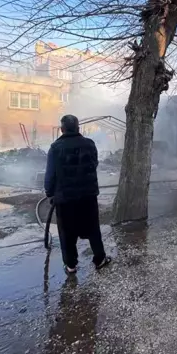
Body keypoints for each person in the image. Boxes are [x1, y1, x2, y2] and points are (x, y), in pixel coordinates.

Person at [45, 114, 112, 273]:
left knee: (67, 233)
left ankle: (71, 265)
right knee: (93, 229)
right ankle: (100, 259)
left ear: (62, 129)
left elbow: (50, 174)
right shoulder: (89, 144)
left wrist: (50, 193)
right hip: (88, 196)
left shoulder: (55, 148)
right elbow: (93, 164)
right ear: (78, 128)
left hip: (65, 199)